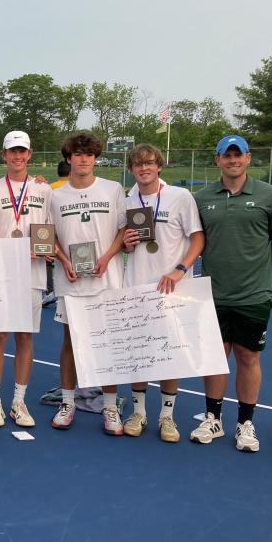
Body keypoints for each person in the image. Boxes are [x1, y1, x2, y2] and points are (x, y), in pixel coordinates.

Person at [190, 134, 272, 452]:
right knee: (216, 359)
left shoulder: (271, 197)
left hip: (254, 296)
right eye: (226, 155)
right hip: (212, 295)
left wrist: (253, 269)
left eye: (239, 154)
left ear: (248, 158)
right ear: (217, 160)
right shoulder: (201, 198)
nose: (233, 160)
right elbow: (194, 239)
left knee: (248, 357)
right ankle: (213, 418)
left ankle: (245, 424)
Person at [120, 143, 205, 442]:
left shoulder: (180, 197)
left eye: (150, 163)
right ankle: (139, 412)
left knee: (171, 354)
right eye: (138, 164)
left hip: (173, 289)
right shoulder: (126, 199)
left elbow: (197, 239)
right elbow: (120, 240)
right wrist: (126, 243)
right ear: (131, 169)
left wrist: (179, 270)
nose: (144, 168)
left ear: (159, 166)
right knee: (139, 352)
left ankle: (166, 417)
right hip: (137, 286)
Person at [48, 132, 127, 434]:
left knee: (107, 343)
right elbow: (46, 234)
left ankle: (109, 408)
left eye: (89, 154)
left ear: (95, 158)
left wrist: (107, 257)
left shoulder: (113, 189)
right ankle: (67, 402)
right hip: (70, 282)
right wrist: (63, 260)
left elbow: (123, 230)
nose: (83, 159)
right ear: (68, 158)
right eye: (78, 154)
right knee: (69, 342)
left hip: (107, 280)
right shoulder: (54, 195)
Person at [0, 131, 53, 428]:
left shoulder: (44, 191)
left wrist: (43, 250)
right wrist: (7, 256)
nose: (18, 156)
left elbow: (48, 230)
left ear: (30, 154)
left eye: (22, 151)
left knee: (25, 338)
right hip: (0, 276)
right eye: (12, 151)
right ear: (4, 155)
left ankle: (18, 401)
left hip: (32, 276)